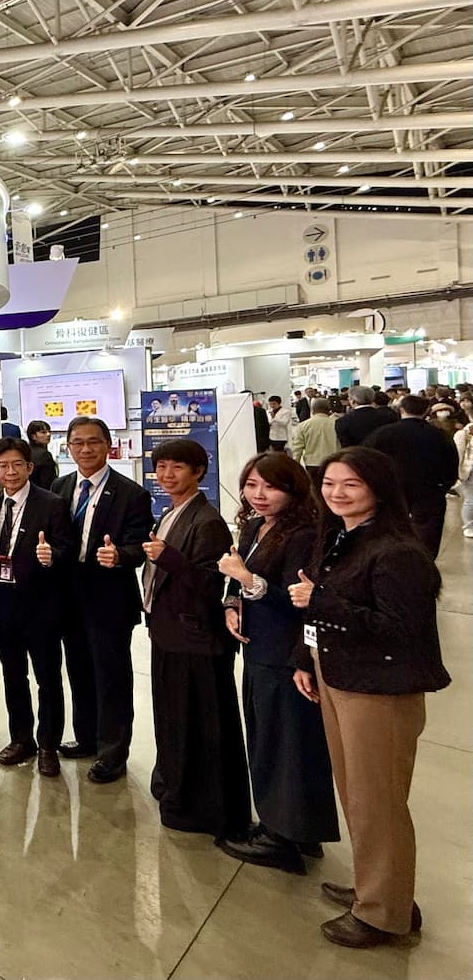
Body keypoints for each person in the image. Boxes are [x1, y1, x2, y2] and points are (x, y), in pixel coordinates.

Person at [290, 447, 450, 949]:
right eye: (329, 483)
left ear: (378, 488)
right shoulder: (343, 536)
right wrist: (304, 659)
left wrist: (321, 600)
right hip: (340, 676)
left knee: (377, 802)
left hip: (379, 690)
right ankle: (379, 889)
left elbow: (401, 631)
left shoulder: (397, 552)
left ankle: (383, 913)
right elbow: (318, 604)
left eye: (351, 484)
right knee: (357, 796)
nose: (336, 493)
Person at [216, 453, 338, 874]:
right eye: (251, 485)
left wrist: (246, 580)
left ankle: (281, 837)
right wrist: (232, 602)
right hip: (258, 648)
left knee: (285, 744)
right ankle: (295, 828)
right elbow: (237, 575)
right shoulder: (256, 525)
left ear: (293, 489)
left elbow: (295, 599)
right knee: (271, 738)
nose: (259, 494)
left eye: (271, 486)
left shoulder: (303, 534)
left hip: (284, 654)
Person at [138, 438, 247, 839]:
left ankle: (201, 806)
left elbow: (209, 584)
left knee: (199, 722)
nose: (167, 475)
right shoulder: (171, 512)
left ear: (199, 472)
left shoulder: (207, 521)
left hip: (193, 638)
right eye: (161, 467)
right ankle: (175, 784)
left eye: (177, 467)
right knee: (172, 717)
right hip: (168, 631)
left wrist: (167, 557)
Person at [51, 416, 154, 784]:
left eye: (93, 441)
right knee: (78, 670)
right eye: (77, 442)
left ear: (108, 445)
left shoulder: (131, 493)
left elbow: (139, 545)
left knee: (111, 677)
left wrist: (121, 555)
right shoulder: (60, 486)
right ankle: (87, 737)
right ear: (68, 447)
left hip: (109, 598)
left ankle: (113, 752)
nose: (85, 449)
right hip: (69, 597)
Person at [0, 438, 74, 778]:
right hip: (2, 600)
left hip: (41, 604)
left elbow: (67, 549)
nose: (10, 472)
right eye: (3, 466)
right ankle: (21, 738)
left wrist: (52, 556)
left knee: (47, 677)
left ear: (29, 467)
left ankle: (48, 744)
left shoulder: (51, 504)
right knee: (12, 674)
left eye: (16, 465)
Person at [363, 394, 458, 557]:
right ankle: (425, 560)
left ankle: (391, 557)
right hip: (429, 487)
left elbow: (366, 457)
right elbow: (451, 461)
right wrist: (445, 484)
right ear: (426, 411)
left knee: (392, 522)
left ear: (401, 410)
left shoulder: (384, 433)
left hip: (393, 486)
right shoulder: (438, 434)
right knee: (428, 527)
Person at [289, 397, 340, 490]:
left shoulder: (303, 425)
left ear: (312, 409)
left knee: (314, 489)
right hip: (333, 462)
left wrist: (296, 466)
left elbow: (297, 448)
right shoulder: (337, 424)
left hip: (312, 463)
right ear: (329, 409)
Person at [26, 421, 58, 490]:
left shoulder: (24, 451)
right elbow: (49, 482)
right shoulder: (44, 455)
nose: (48, 434)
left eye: (49, 431)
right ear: (33, 436)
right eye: (43, 432)